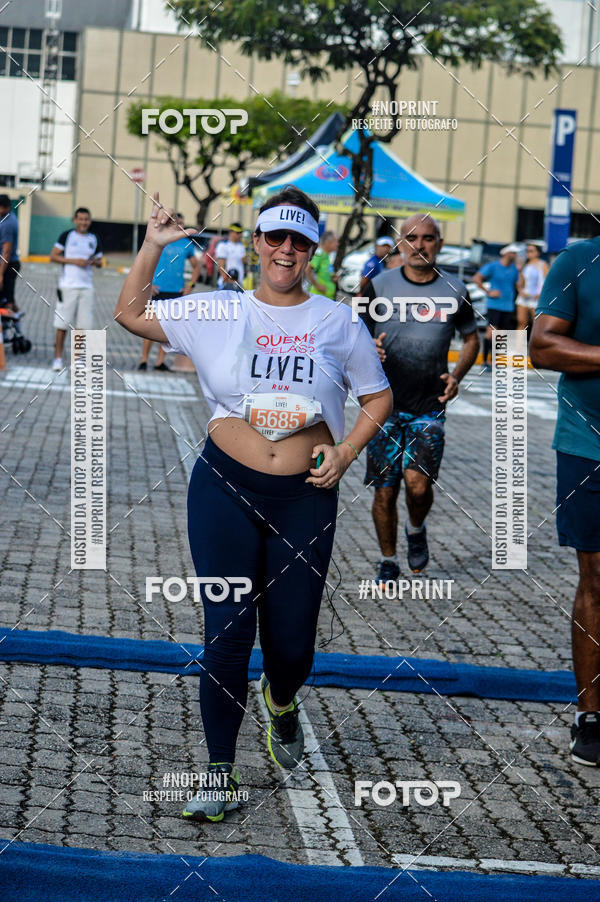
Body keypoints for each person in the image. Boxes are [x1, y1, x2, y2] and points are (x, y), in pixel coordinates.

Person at [114, 185, 392, 822]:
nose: (286, 250)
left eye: (299, 240)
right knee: (227, 633)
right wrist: (154, 246)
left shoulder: (339, 321)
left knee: (292, 646)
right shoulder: (218, 309)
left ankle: (284, 701)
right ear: (258, 241)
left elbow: (377, 398)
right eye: (275, 237)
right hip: (225, 489)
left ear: (313, 249)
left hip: (305, 498)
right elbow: (130, 313)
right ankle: (218, 772)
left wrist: (347, 452)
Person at [361, 214, 479, 581]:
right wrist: (369, 351)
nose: (419, 244)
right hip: (382, 405)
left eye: (428, 238)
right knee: (384, 491)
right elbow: (353, 335)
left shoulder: (455, 289)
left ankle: (416, 527)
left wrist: (456, 376)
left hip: (429, 404)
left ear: (439, 245)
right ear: (399, 242)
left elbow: (472, 338)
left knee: (418, 484)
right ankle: (388, 559)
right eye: (411, 237)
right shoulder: (376, 286)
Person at [530, 237, 600, 767]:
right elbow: (542, 346)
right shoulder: (578, 261)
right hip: (588, 446)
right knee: (598, 580)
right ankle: (591, 715)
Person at [138, 213, 200, 371]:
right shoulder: (161, 241)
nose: (179, 225)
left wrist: (190, 285)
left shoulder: (187, 244)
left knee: (167, 329)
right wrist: (148, 283)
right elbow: (145, 263)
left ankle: (159, 362)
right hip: (157, 290)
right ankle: (144, 360)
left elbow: (197, 267)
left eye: (181, 222)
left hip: (176, 292)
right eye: (176, 222)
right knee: (148, 325)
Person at [49, 207, 102, 371]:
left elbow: (100, 262)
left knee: (82, 325)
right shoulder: (67, 236)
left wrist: (94, 262)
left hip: (86, 287)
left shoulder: (94, 238)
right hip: (67, 286)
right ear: (75, 220)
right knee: (62, 324)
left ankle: (77, 359)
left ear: (90, 221)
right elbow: (53, 256)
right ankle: (57, 358)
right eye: (80, 219)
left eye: (86, 219)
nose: (83, 222)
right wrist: (74, 261)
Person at [473, 244, 519, 370]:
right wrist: (488, 292)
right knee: (491, 332)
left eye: (515, 253)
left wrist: (520, 269)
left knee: (502, 335)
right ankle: (485, 361)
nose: (514, 255)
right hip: (495, 304)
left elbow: (520, 285)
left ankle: (495, 361)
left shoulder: (514, 269)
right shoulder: (493, 266)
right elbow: (476, 278)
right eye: (512, 253)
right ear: (505, 253)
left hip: (508, 306)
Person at [516, 243, 548, 334]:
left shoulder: (543, 265)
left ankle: (534, 347)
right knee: (521, 322)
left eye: (531, 251)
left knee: (536, 324)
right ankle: (518, 348)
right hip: (524, 297)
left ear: (537, 253)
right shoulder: (524, 265)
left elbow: (548, 282)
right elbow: (520, 282)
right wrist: (520, 291)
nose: (528, 253)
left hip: (536, 298)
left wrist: (541, 293)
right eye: (527, 251)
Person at [0, 194, 21, 313]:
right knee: (9, 298)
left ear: (5, 207)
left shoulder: (8, 223)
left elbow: (6, 252)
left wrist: (1, 275)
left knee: (6, 302)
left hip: (8, 265)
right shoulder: (8, 216)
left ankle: (4, 330)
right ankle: (18, 329)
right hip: (9, 264)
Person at [306, 230, 338, 299]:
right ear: (328, 242)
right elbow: (307, 269)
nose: (337, 244)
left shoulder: (327, 256)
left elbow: (324, 272)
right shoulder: (319, 254)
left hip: (326, 297)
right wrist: (317, 286)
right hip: (318, 297)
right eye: (336, 241)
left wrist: (333, 277)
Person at [215, 222, 247, 290]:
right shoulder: (223, 245)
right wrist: (226, 281)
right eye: (238, 233)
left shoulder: (241, 246)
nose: (240, 235)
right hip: (227, 283)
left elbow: (244, 262)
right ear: (231, 232)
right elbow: (220, 265)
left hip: (238, 284)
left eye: (241, 233)